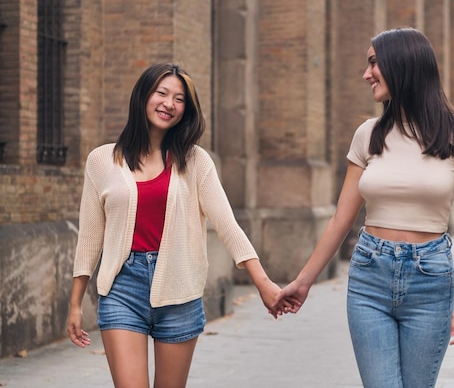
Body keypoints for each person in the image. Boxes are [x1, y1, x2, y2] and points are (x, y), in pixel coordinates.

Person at [273, 28, 454, 388]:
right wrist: (303, 281)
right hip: (369, 275)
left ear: (402, 65)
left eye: (374, 63)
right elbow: (342, 218)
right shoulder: (367, 134)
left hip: (430, 278)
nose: (365, 74)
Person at [66, 63, 290, 388]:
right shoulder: (102, 160)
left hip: (180, 290)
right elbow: (89, 237)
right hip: (122, 289)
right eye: (162, 93)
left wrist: (263, 282)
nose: (169, 103)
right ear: (143, 95)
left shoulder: (195, 161)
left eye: (179, 98)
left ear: (186, 109)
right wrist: (75, 304)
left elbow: (227, 225)